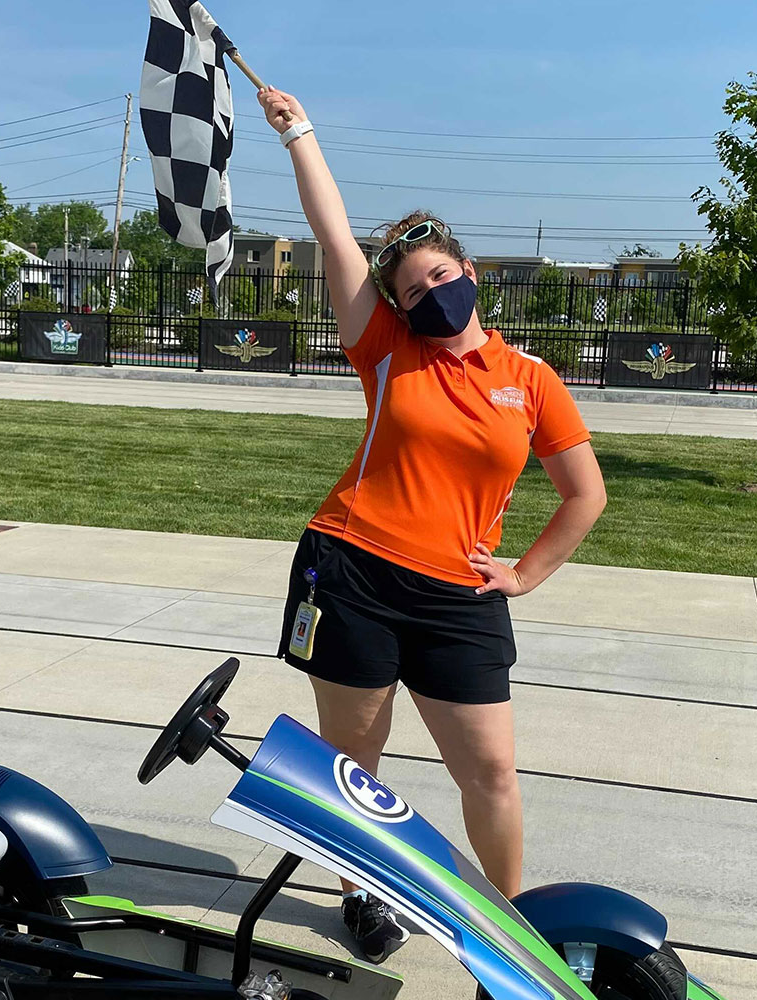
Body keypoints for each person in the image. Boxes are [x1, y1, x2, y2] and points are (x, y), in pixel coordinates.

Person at [259, 86, 609, 964]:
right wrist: (301, 134)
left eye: (441, 276)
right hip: (352, 573)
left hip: (459, 595)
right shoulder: (384, 347)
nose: (430, 293)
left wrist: (523, 575)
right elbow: (335, 235)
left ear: (472, 276)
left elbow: (585, 495)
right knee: (355, 756)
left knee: (489, 771)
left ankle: (510, 928)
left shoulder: (529, 380)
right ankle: (358, 894)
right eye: (414, 288)